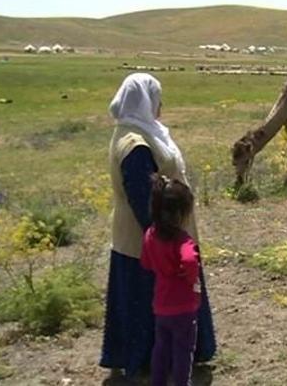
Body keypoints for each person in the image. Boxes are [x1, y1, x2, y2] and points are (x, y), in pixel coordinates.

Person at [100, 73, 216, 379]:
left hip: (161, 236)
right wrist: (169, 241)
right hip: (148, 242)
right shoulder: (135, 144)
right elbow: (144, 200)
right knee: (157, 299)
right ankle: (148, 360)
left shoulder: (142, 132)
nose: (161, 104)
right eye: (157, 97)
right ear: (145, 101)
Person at [141, 174, 201, 386]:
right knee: (183, 351)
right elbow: (190, 260)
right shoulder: (182, 240)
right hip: (184, 306)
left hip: (161, 305)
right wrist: (190, 277)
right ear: (179, 214)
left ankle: (157, 381)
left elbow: (146, 263)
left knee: (161, 347)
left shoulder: (149, 235)